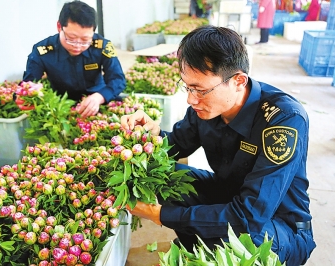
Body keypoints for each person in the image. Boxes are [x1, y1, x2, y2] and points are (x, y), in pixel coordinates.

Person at [121, 25, 316, 265]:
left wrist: (158, 214)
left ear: (238, 81)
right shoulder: (205, 107)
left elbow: (248, 216)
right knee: (170, 179)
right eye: (188, 87)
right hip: (230, 196)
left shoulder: (282, 119)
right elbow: (176, 146)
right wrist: (153, 136)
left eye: (200, 90)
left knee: (247, 239)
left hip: (278, 224)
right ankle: (198, 253)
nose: (191, 99)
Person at [21, 0, 126, 117]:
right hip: (61, 106)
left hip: (98, 100)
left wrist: (100, 97)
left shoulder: (102, 46)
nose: (78, 45)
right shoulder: (42, 50)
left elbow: (117, 79)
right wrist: (26, 97)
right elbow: (29, 84)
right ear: (59, 27)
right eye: (71, 38)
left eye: (85, 40)